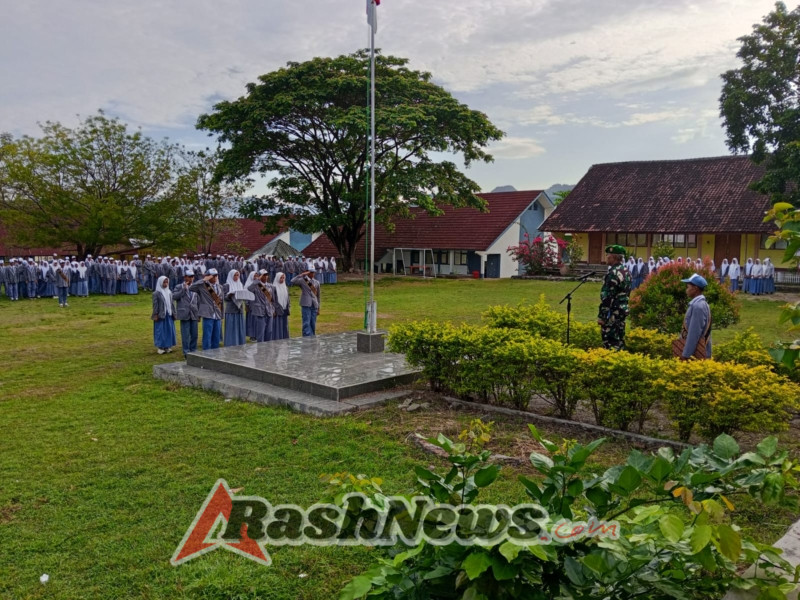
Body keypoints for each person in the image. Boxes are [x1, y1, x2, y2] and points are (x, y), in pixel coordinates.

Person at [597, 244, 631, 350]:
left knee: (610, 341)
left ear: (614, 257)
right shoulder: (626, 271)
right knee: (619, 337)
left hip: (612, 311)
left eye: (608, 255)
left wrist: (602, 316)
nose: (606, 257)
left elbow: (608, 297)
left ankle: (612, 358)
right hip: (622, 309)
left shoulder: (613, 273)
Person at [678, 273, 712, 360]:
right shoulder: (698, 304)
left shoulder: (698, 307)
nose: (686, 290)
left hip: (695, 355)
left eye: (688, 287)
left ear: (695, 288)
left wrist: (686, 355)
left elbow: (694, 333)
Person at [190, 268, 224, 350]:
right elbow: (191, 288)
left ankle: (215, 352)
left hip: (217, 314)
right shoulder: (203, 285)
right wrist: (203, 280)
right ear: (208, 276)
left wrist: (222, 314)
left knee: (216, 336)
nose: (215, 277)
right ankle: (206, 353)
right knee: (207, 336)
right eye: (213, 276)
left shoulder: (220, 287)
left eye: (216, 275)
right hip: (208, 313)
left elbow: (221, 301)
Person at [173, 269, 200, 357]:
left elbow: (198, 300)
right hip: (184, 313)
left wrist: (199, 313)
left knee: (194, 334)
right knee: (185, 334)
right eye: (189, 276)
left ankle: (193, 350)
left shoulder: (196, 287)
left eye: (192, 276)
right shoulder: (178, 286)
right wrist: (183, 290)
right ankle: (186, 352)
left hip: (194, 313)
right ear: (185, 277)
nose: (191, 278)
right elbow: (174, 296)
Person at [248, 269, 275, 342]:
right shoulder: (256, 285)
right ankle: (261, 348)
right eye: (263, 275)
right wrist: (257, 280)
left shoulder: (270, 286)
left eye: (266, 275)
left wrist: (273, 309)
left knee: (269, 332)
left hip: (269, 311)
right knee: (260, 332)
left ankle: (268, 347)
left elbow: (272, 299)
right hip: (260, 311)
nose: (265, 277)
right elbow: (249, 289)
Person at [151, 275, 177, 354]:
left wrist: (174, 313)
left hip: (169, 315)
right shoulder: (156, 293)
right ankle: (160, 347)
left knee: (169, 330)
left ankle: (167, 346)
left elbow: (172, 304)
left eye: (167, 282)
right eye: (164, 282)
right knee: (160, 331)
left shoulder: (169, 292)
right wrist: (155, 314)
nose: (165, 284)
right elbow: (155, 305)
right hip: (161, 315)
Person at [292, 269, 321, 337]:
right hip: (306, 304)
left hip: (314, 304)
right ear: (307, 272)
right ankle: (306, 338)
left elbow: (318, 296)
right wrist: (301, 275)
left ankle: (312, 337)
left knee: (313, 323)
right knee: (306, 323)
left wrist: (318, 308)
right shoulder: (303, 280)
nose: (313, 274)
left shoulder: (316, 282)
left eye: (313, 272)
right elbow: (292, 281)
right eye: (311, 272)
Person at [223, 270, 246, 347]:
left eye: (237, 275)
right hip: (231, 309)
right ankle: (231, 343)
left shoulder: (240, 284)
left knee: (239, 327)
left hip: (239, 309)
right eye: (235, 275)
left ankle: (240, 342)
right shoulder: (227, 285)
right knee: (231, 327)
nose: (236, 277)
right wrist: (229, 295)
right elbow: (224, 298)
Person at [272, 272, 290, 339]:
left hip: (284, 309)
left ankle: (284, 337)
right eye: (281, 278)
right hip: (277, 309)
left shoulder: (285, 287)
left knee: (284, 325)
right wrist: (274, 309)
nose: (282, 279)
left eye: (283, 278)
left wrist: (288, 306)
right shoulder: (274, 288)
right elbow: (272, 300)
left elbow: (288, 299)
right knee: (278, 325)